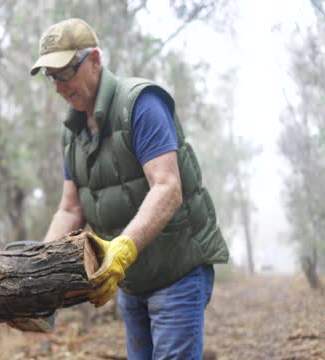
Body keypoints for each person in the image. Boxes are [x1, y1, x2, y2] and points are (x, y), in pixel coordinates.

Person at [31, 19, 229, 359]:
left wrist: (122, 248)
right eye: (52, 77)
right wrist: (37, 267)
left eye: (65, 73)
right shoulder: (73, 130)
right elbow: (70, 209)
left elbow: (167, 188)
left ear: (94, 60)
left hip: (176, 272)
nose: (59, 87)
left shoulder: (141, 104)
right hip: (131, 280)